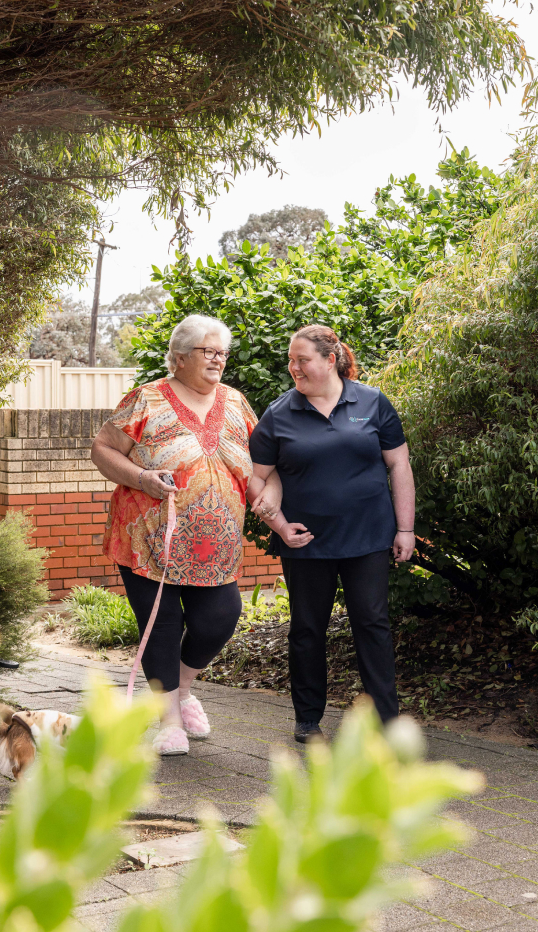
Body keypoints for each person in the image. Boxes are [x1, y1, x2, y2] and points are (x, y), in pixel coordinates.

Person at [91, 314, 281, 756]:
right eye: (208, 352)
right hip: (149, 539)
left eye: (222, 353)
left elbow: (256, 468)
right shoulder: (145, 400)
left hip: (217, 546)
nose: (218, 360)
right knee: (162, 623)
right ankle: (169, 722)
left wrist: (274, 509)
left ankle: (182, 689)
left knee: (221, 615)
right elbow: (101, 449)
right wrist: (141, 477)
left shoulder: (236, 403)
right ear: (178, 357)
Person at [249, 324, 415, 742]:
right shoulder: (279, 413)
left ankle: (386, 721)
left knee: (372, 624)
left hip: (369, 538)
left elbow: (399, 466)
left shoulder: (372, 402)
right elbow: (257, 478)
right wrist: (281, 526)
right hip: (306, 542)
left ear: (330, 359)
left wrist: (406, 528)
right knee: (307, 629)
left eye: (301, 359)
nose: (294, 367)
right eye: (291, 360)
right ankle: (308, 721)